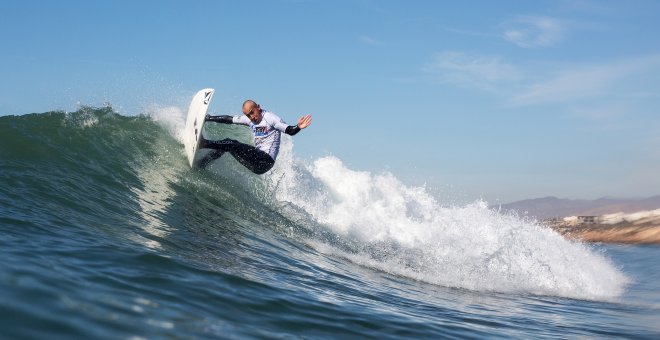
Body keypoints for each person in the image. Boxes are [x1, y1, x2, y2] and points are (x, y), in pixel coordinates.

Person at [199, 99, 312, 174]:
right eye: (248, 115)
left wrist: (298, 126)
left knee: (231, 144)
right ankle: (202, 164)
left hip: (265, 160)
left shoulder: (270, 118)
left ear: (258, 107)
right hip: (255, 165)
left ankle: (204, 143)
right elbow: (229, 119)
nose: (251, 117)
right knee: (227, 145)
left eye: (252, 112)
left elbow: (289, 130)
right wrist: (208, 118)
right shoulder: (250, 119)